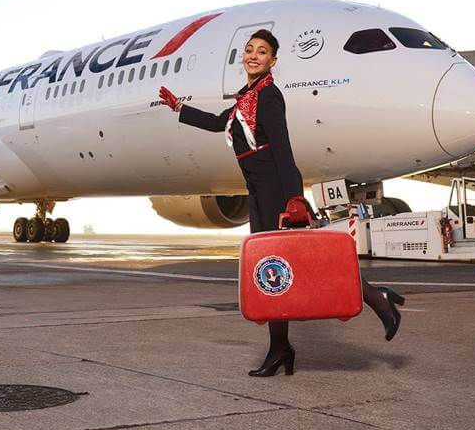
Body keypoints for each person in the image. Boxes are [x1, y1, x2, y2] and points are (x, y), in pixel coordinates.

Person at [159, 29, 404, 377]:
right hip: (256, 190)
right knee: (272, 273)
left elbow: (283, 149)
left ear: (273, 61)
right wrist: (180, 108)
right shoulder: (247, 97)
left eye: (262, 52)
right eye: (249, 50)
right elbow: (218, 123)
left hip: (275, 188)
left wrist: (293, 197)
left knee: (298, 264)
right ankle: (281, 347)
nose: (253, 56)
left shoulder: (269, 96)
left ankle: (379, 301)